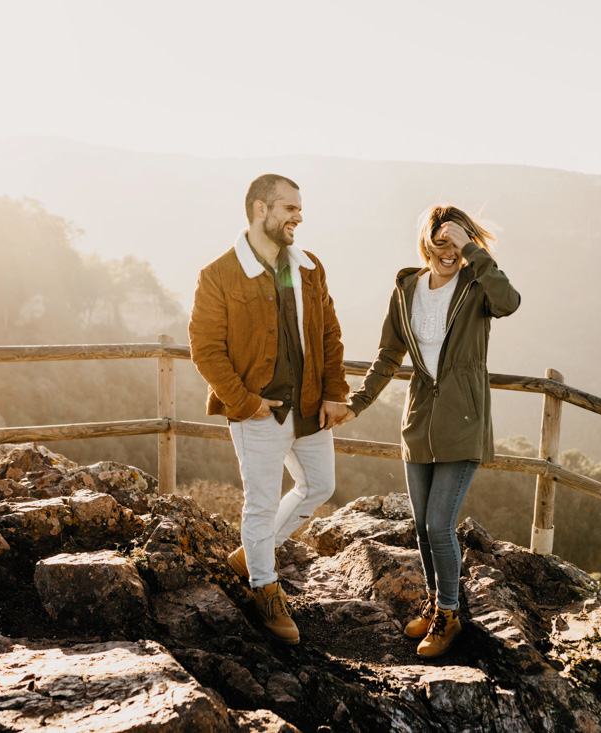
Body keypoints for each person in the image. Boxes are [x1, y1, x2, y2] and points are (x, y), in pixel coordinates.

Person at [336, 205, 520, 657]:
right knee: (421, 526)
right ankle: (436, 601)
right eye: (441, 242)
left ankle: (451, 615)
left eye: (457, 244)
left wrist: (473, 251)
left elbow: (509, 303)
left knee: (440, 524)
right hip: (419, 421)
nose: (448, 253)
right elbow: (387, 355)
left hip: (463, 421)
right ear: (427, 243)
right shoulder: (407, 289)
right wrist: (357, 403)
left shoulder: (478, 285)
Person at [189, 174, 349, 645]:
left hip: (309, 407)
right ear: (261, 210)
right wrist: (244, 402)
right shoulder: (218, 274)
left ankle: (250, 555)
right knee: (259, 504)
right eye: (290, 208)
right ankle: (265, 587)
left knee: (319, 485)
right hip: (256, 412)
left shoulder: (309, 268)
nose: (299, 216)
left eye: (300, 208)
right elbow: (205, 347)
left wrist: (335, 392)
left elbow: (329, 336)